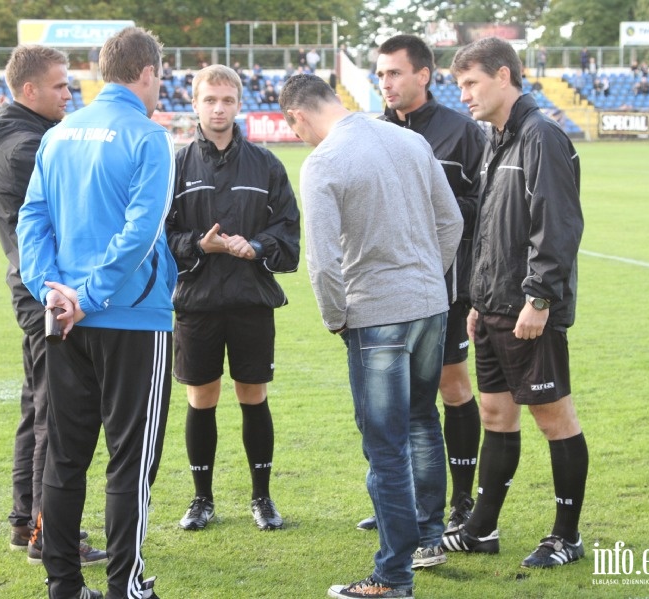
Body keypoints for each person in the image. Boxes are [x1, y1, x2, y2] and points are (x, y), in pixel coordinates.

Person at [279, 73, 463, 599]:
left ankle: (393, 577)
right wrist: (427, 277)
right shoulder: (410, 139)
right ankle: (428, 537)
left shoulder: (324, 162)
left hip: (376, 313)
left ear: (297, 116)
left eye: (295, 130)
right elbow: (450, 223)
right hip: (430, 305)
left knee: (385, 446)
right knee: (424, 421)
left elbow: (323, 262)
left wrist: (336, 317)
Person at [16, 26, 175, 599]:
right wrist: (94, 293)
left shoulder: (59, 134)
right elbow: (142, 230)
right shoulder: (149, 137)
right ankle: (124, 587)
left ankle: (63, 586)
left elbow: (31, 220)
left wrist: (52, 290)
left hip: (63, 319)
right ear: (148, 72)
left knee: (65, 454)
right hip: (130, 317)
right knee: (130, 461)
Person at [443, 36, 587, 570]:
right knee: (496, 413)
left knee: (554, 418)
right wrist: (479, 297)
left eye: (471, 83)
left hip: (530, 309)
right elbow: (488, 229)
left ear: (503, 76)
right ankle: (481, 529)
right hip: (493, 305)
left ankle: (566, 536)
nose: (465, 95)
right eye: (460, 86)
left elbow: (558, 225)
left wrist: (540, 298)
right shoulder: (496, 139)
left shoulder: (541, 137)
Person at [0, 44, 108, 570]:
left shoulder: (25, 138)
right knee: (58, 418)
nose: (69, 93)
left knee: (38, 410)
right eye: (59, 85)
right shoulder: (27, 148)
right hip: (47, 297)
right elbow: (67, 222)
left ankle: (25, 520)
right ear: (29, 91)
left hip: (37, 295)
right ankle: (50, 535)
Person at [351, 36, 485, 564]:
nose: (385, 84)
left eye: (394, 74)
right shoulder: (374, 131)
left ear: (423, 75)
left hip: (444, 288)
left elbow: (483, 202)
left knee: (446, 392)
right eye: (380, 75)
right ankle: (401, 506)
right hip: (385, 291)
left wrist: (432, 214)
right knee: (393, 406)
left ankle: (460, 502)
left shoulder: (461, 133)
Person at [166, 64, 300, 533]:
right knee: (200, 398)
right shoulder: (176, 166)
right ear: (195, 104)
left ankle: (262, 498)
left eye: (226, 100)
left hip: (250, 301)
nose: (218, 109)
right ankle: (202, 499)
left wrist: (257, 246)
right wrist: (197, 245)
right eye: (209, 100)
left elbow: (288, 230)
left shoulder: (266, 164)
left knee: (253, 396)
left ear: (239, 104)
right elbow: (161, 235)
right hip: (197, 303)